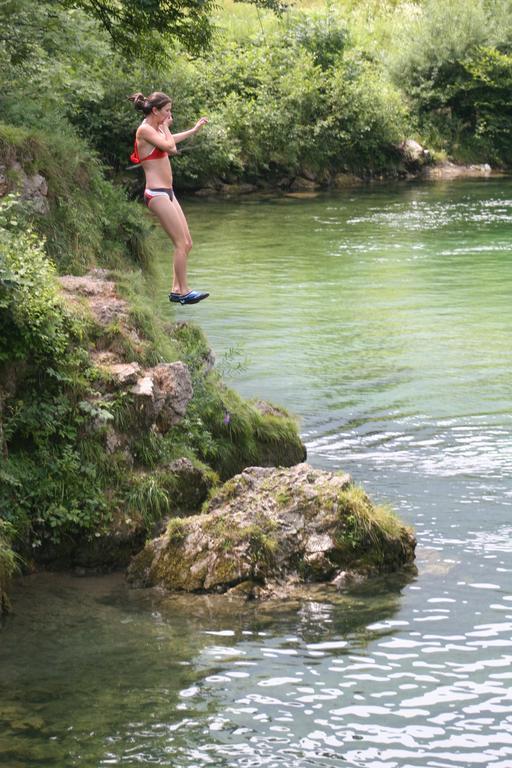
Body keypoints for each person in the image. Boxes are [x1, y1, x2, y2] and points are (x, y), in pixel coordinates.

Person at [128, 91, 209, 305]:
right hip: (156, 193)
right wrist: (165, 127)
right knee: (180, 243)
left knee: (188, 243)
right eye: (166, 111)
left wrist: (193, 130)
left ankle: (175, 290)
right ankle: (183, 291)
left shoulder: (155, 128)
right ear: (155, 110)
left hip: (168, 193)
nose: (169, 115)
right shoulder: (145, 129)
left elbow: (169, 140)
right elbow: (171, 148)